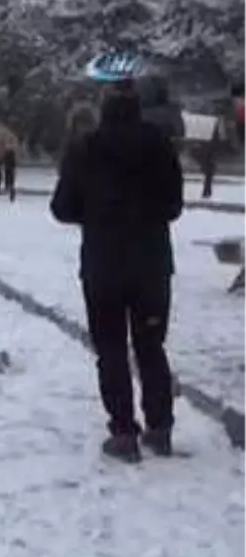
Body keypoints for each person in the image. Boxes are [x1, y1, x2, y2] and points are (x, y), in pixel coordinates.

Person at [50, 77, 184, 463]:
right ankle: (160, 427)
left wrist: (94, 214)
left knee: (110, 349)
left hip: (103, 263)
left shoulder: (85, 147)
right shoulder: (159, 145)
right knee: (151, 346)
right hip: (151, 263)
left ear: (104, 102)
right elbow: (174, 206)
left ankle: (123, 431)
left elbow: (62, 208)